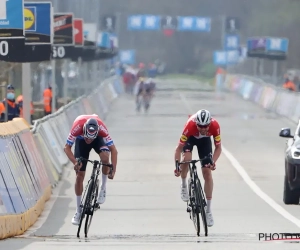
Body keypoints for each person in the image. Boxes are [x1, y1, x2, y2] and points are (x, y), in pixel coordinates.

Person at [64, 114, 118, 225]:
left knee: (105, 158)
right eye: (88, 137)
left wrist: (113, 169)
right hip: (80, 140)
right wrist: (75, 162)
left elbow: (114, 150)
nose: (89, 140)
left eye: (91, 138)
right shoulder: (77, 127)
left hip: (98, 140)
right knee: (79, 175)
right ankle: (78, 211)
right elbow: (66, 148)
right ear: (84, 130)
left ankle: (103, 188)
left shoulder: (102, 130)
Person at [174, 109, 222, 227]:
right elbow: (178, 149)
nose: (203, 129)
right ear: (196, 123)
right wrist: (177, 165)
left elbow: (218, 148)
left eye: (206, 126)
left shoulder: (215, 126)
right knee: (187, 158)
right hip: (190, 138)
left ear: (210, 123)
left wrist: (213, 162)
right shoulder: (190, 125)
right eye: (200, 126)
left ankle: (208, 211)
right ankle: (184, 184)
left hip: (205, 142)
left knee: (207, 173)